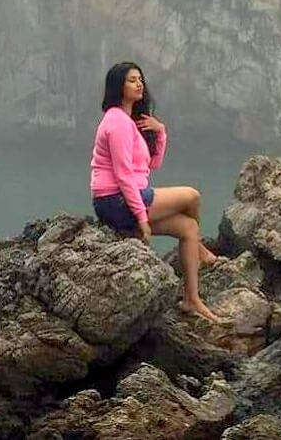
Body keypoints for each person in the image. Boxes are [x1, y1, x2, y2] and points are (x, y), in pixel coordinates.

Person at [90, 62, 225, 323]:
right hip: (114, 201)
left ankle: (191, 299)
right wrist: (142, 219)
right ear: (118, 87)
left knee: (187, 227)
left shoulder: (130, 122)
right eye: (131, 80)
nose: (139, 84)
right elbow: (123, 176)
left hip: (128, 197)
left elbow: (151, 165)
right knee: (192, 196)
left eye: (140, 79)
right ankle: (202, 252)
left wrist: (160, 132)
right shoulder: (117, 122)